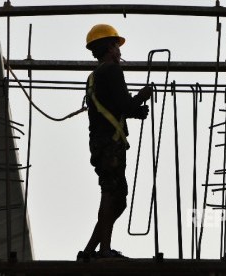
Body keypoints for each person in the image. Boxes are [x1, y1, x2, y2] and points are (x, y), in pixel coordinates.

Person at [77, 24, 153, 261]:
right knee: (111, 194)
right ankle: (103, 250)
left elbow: (114, 106)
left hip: (102, 143)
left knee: (118, 199)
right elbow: (123, 105)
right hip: (110, 145)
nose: (119, 51)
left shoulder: (95, 75)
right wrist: (142, 97)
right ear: (109, 48)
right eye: (116, 47)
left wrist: (136, 110)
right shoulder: (111, 71)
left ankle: (90, 251)